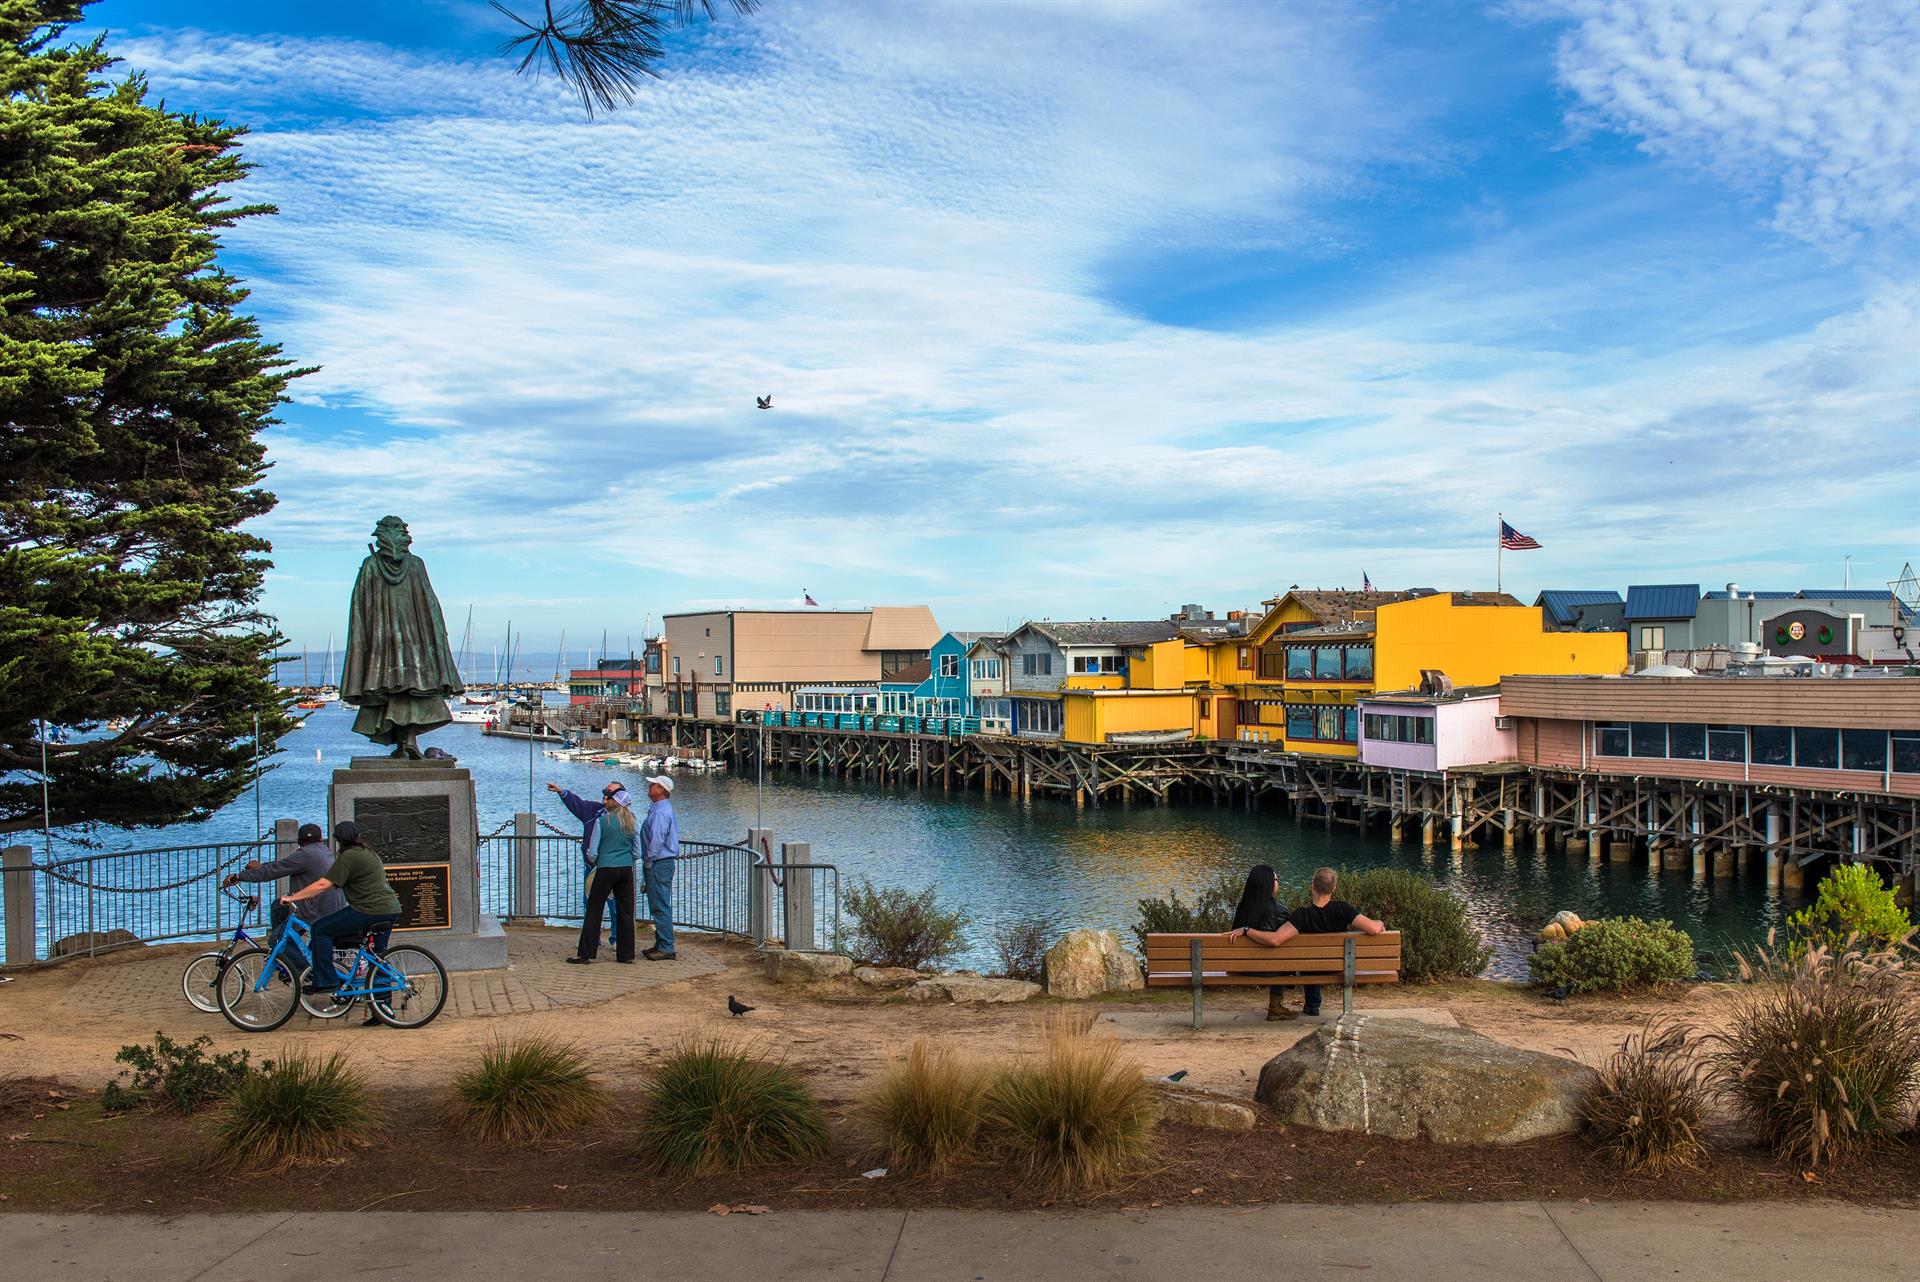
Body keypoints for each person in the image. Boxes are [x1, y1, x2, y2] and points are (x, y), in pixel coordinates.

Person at [1227, 867, 1385, 1018]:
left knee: (1312, 962)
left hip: (1310, 967)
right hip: (1338, 966)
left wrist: (1246, 930)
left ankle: (1312, 1005)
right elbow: (1373, 928)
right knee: (1317, 960)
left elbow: (1276, 939)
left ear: (1313, 886)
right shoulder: (1343, 909)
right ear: (1334, 889)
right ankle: (1312, 1005)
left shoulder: (1301, 915)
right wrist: (1379, 923)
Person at [282, 821, 402, 1001]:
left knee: (320, 929)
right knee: (376, 957)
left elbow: (324, 883)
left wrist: (293, 897)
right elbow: (342, 882)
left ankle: (326, 981)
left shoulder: (349, 856)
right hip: (390, 908)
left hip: (368, 909)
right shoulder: (368, 852)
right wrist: (311, 895)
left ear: (338, 839)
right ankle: (382, 1007)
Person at [223, 822, 345, 946]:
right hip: (331, 907)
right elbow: (285, 865)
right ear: (320, 839)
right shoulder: (324, 851)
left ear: (299, 842)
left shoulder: (305, 854)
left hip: (316, 911)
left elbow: (272, 872)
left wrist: (238, 876)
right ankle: (286, 952)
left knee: (276, 941)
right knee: (278, 906)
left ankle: (297, 963)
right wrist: (262, 866)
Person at [568, 787, 639, 964]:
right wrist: (626, 857)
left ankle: (586, 953)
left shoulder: (601, 822)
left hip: (606, 868)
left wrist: (600, 858)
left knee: (594, 910)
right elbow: (637, 851)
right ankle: (626, 955)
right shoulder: (632, 822)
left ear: (615, 802)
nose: (605, 801)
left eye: (608, 799)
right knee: (625, 912)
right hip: (625, 869)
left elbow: (592, 852)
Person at [1227, 864, 1296, 1021]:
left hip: (1241, 967)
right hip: (1269, 969)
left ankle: (1276, 1007)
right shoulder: (1279, 911)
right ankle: (1275, 1006)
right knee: (1282, 954)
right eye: (1277, 879)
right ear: (1269, 884)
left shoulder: (1243, 908)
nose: (1279, 882)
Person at [639, 774, 679, 960]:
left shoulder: (661, 812)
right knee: (658, 904)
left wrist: (648, 860)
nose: (649, 787)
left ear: (661, 790)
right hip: (660, 862)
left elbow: (657, 839)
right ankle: (661, 942)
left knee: (660, 905)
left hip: (658, 863)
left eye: (653, 785)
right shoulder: (659, 809)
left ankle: (666, 946)